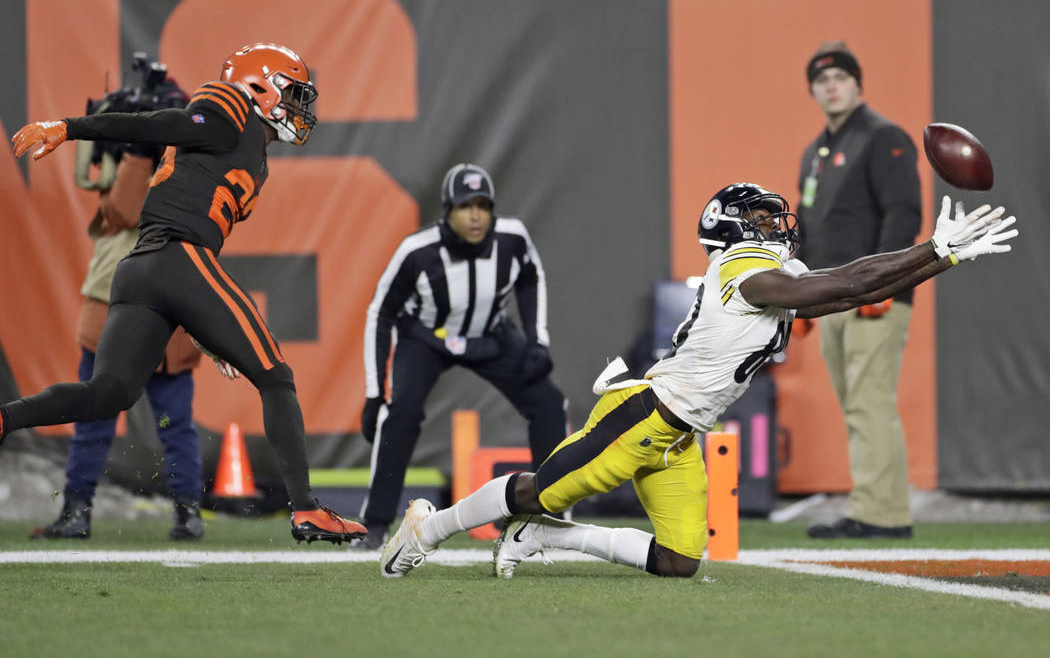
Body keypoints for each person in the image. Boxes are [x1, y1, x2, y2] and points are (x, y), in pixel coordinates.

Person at [377, 182, 1015, 579]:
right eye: (762, 219)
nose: (775, 226)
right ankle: (426, 528)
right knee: (539, 487)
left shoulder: (768, 270)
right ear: (737, 230)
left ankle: (544, 535)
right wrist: (933, 251)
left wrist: (942, 258)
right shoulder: (746, 270)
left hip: (682, 433)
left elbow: (848, 286)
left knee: (679, 561)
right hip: (647, 414)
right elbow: (846, 284)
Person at [2, 43, 365, 544]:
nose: (299, 108)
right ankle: (307, 510)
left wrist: (211, 332)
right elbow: (159, 125)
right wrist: (68, 128)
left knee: (109, 393)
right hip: (179, 256)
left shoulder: (248, 146)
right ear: (260, 87)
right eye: (292, 93)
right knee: (276, 377)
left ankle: (5, 419)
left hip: (142, 269)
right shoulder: (228, 108)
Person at [30, 71, 205, 542]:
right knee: (96, 416)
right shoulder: (137, 156)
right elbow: (123, 207)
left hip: (159, 302)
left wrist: (149, 142)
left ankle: (188, 512)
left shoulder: (191, 161)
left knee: (173, 422)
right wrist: (137, 145)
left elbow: (136, 207)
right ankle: (77, 510)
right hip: (122, 300)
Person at [358, 163, 568, 549]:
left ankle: (552, 516)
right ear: (447, 211)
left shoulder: (511, 238)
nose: (475, 216)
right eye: (464, 206)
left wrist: (537, 342)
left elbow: (530, 275)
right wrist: (375, 393)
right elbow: (380, 312)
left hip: (491, 335)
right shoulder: (417, 252)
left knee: (549, 403)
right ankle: (374, 525)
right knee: (399, 413)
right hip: (426, 338)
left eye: (483, 205)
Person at [797, 41, 923, 539]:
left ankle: (880, 514)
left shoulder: (883, 136)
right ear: (812, 91)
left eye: (840, 78)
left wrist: (885, 284)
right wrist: (801, 293)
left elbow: (903, 214)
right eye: (822, 80)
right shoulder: (816, 153)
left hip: (872, 296)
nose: (831, 86)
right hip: (830, 296)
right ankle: (875, 507)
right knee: (856, 402)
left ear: (858, 85)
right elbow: (807, 227)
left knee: (870, 400)